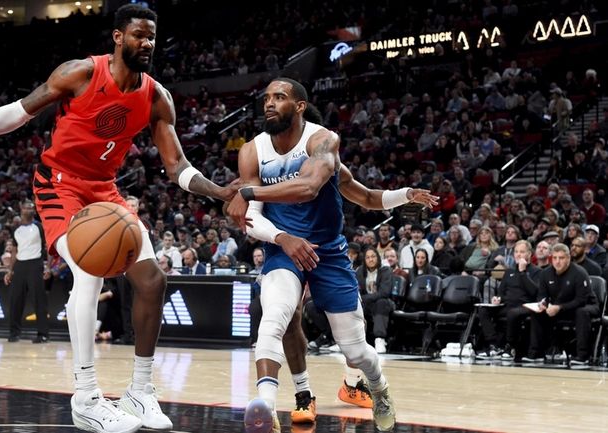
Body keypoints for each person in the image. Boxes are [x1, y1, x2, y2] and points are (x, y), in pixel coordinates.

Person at [0, 5, 238, 433]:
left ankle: (140, 392)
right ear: (117, 37)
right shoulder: (80, 74)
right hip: (59, 184)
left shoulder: (156, 97)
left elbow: (176, 166)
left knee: (152, 280)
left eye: (151, 36)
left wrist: (218, 190)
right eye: (138, 35)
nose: (146, 43)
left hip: (104, 191)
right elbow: (17, 112)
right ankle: (86, 396)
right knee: (89, 273)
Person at [226, 77, 437, 432]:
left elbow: (354, 195)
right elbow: (250, 218)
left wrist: (405, 194)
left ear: (299, 106)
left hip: (329, 253)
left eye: (280, 97)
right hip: (283, 249)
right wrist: (283, 237)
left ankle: (379, 386)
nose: (270, 103)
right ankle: (263, 404)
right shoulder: (252, 151)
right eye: (267, 98)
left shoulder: (323, 141)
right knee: (274, 317)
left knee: (355, 351)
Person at [523, 243, 600, 364]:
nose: (557, 262)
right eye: (554, 258)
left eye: (561, 258)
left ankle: (582, 356)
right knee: (537, 313)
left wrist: (559, 307)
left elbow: (581, 300)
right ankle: (535, 353)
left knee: (581, 312)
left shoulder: (580, 273)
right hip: (560, 307)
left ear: (568, 258)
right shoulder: (545, 273)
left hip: (585, 306)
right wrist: (543, 303)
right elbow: (542, 295)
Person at [475, 240, 540, 360]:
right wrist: (497, 298)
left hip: (525, 306)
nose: (518, 254)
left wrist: (523, 272)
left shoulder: (536, 271)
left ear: (529, 254)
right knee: (483, 309)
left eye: (522, 252)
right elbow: (501, 292)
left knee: (512, 313)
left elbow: (534, 292)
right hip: (507, 305)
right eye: (516, 252)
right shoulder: (509, 271)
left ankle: (510, 346)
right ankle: (493, 344)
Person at [4, 201, 50, 344]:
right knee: (15, 300)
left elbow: (47, 246)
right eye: (26, 207)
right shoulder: (16, 229)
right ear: (21, 209)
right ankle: (14, 333)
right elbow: (14, 251)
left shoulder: (39, 227)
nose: (29, 209)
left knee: (38, 299)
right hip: (20, 265)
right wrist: (10, 270)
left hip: (35, 263)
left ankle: (43, 334)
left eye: (31, 207)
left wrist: (48, 266)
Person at [357, 249, 395, 354]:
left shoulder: (386, 270)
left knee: (381, 302)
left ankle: (380, 339)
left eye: (373, 256)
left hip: (385, 303)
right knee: (353, 305)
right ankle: (350, 340)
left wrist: (364, 298)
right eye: (368, 257)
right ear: (364, 260)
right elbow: (357, 291)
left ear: (378, 258)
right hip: (367, 304)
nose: (371, 259)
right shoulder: (360, 271)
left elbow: (384, 292)